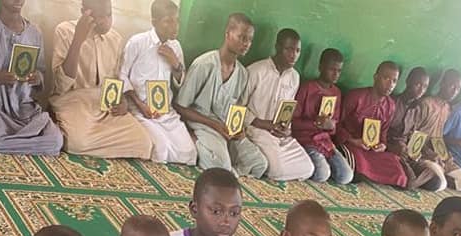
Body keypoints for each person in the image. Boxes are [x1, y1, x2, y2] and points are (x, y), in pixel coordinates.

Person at [0, 0, 64, 155]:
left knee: (55, 141)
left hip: (24, 108)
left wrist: (36, 78)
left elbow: (41, 71)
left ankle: (8, 142)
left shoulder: (35, 32)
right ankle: (25, 142)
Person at [50, 0, 153, 159]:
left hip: (104, 105)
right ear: (84, 12)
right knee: (77, 143)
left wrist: (122, 101)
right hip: (72, 101)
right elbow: (61, 85)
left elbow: (116, 80)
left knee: (144, 143)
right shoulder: (64, 30)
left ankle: (93, 139)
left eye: (109, 15)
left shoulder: (115, 39)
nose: (106, 21)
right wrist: (78, 39)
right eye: (100, 16)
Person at [174, 13, 267, 177]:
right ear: (228, 34)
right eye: (242, 37)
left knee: (259, 164)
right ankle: (195, 141)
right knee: (221, 167)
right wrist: (214, 124)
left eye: (250, 40)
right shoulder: (204, 64)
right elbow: (180, 106)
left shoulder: (242, 74)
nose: (246, 44)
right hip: (202, 125)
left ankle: (227, 165)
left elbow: (237, 111)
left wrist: (239, 131)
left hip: (225, 130)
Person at [119, 0, 197, 165]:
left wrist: (175, 63)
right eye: (169, 21)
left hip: (165, 111)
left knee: (189, 153)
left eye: (177, 21)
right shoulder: (138, 42)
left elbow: (180, 81)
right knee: (161, 150)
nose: (175, 26)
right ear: (154, 22)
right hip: (140, 109)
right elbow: (122, 74)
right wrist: (140, 105)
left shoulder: (176, 47)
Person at [244, 29, 315, 181]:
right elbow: (238, 106)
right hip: (256, 130)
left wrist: (286, 130)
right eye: (289, 49)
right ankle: (269, 162)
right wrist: (262, 123)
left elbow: (287, 110)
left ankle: (275, 162)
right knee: (277, 170)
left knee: (309, 168)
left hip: (279, 134)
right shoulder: (256, 71)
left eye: (297, 50)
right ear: (277, 47)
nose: (293, 55)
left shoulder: (294, 77)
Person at [387, 69, 461, 192]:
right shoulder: (425, 104)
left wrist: (444, 156)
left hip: (435, 153)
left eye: (458, 88)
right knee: (440, 184)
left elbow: (438, 138)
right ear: (442, 84)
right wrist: (430, 154)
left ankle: (437, 174)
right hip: (420, 152)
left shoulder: (447, 109)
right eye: (452, 86)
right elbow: (414, 137)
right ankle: (435, 176)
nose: (454, 91)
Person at [336, 61, 410, 188]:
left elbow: (383, 134)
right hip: (352, 144)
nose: (390, 85)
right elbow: (337, 124)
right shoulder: (356, 97)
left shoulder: (390, 105)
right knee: (358, 163)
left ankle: (369, 175)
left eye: (394, 81)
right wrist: (353, 141)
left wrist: (382, 145)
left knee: (398, 172)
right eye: (386, 78)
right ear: (376, 77)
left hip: (372, 150)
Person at [292, 48, 353, 185]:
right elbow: (293, 122)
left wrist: (330, 126)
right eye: (332, 69)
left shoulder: (336, 92)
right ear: (321, 67)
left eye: (339, 71)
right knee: (322, 174)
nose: (335, 74)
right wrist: (316, 124)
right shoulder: (307, 88)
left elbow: (334, 127)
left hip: (325, 142)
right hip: (305, 139)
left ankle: (324, 163)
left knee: (346, 176)